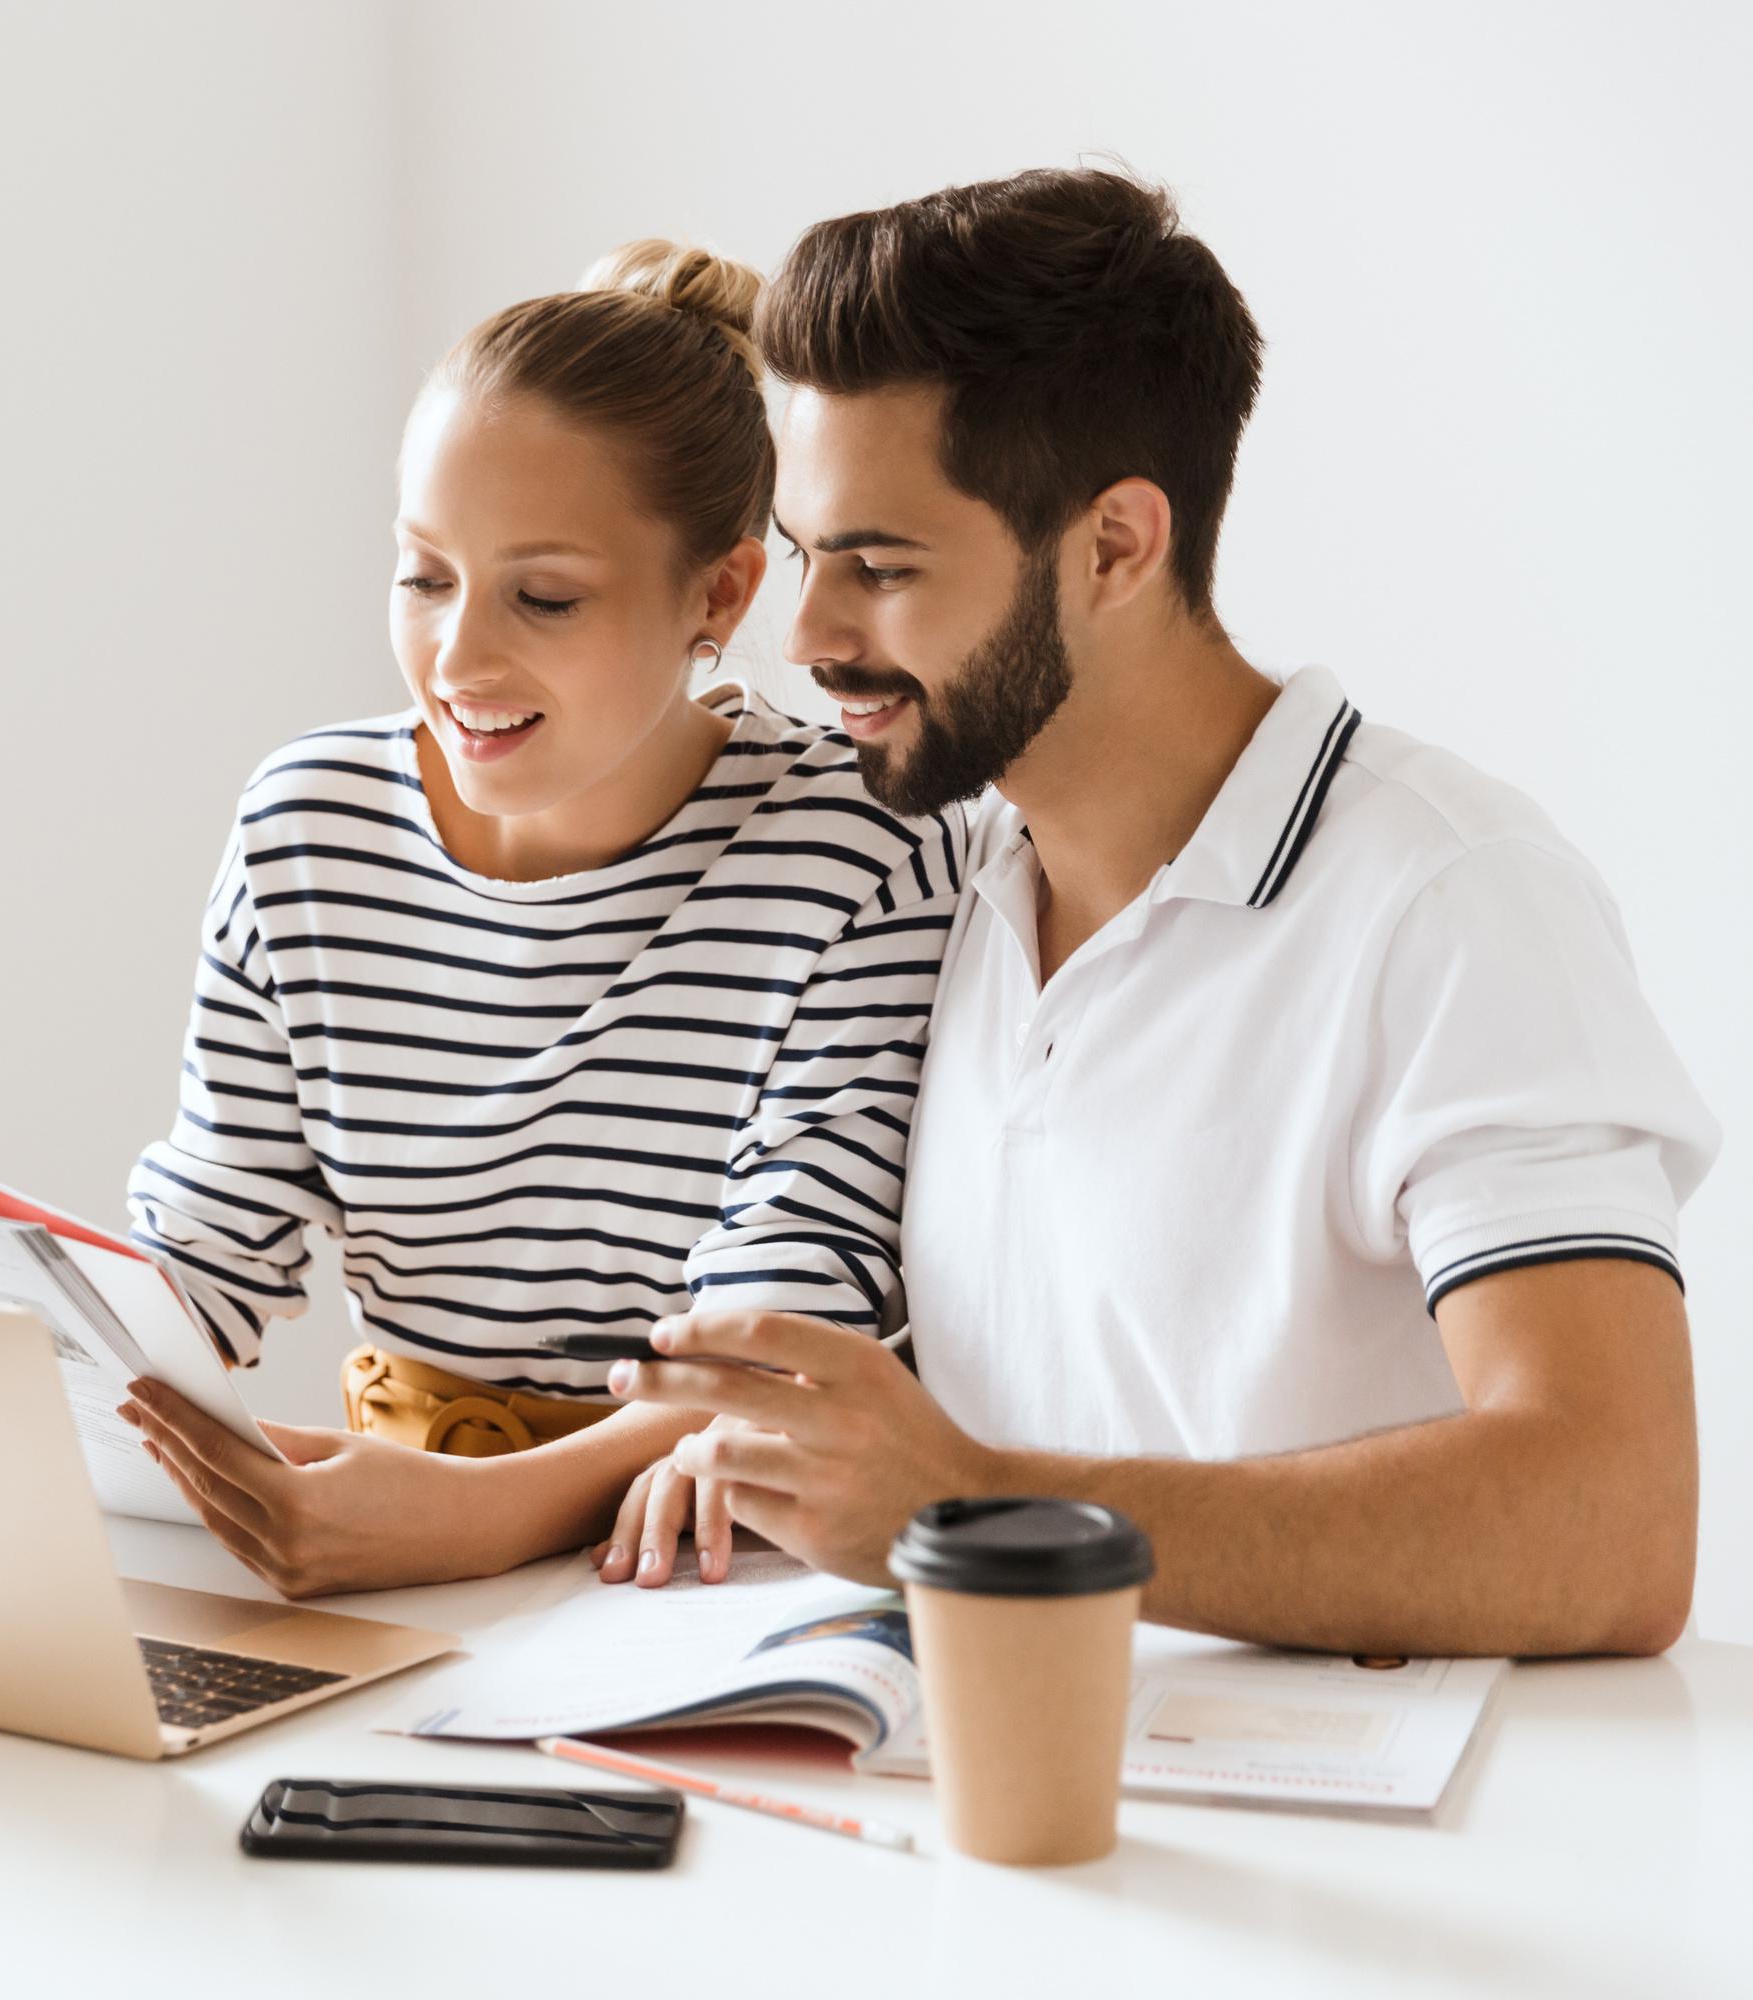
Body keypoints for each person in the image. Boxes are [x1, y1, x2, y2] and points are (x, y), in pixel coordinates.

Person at [603, 169, 1719, 1657]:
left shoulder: (1453, 902)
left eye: (880, 566)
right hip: (997, 1803)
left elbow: (1616, 1523)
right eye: (809, 558)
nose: (807, 636)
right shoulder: (928, 888)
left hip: (1373, 1857)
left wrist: (982, 1509)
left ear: (1118, 546)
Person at [114, 242, 963, 1597]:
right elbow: (206, 1251)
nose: (459, 659)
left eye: (545, 597)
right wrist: (16, 1359)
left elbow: (786, 1327)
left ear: (722, 595)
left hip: (714, 1564)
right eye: (423, 576)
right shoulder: (305, 827)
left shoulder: (859, 848)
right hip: (386, 1545)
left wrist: (487, 1513)